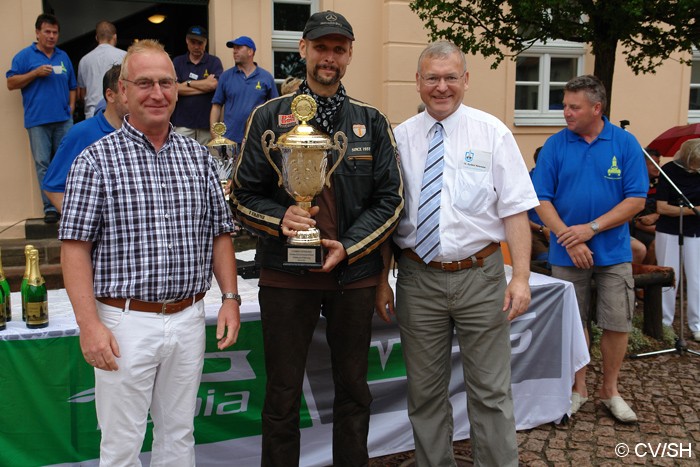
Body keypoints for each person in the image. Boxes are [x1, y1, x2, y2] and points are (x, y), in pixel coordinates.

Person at [59, 39, 241, 465]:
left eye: (165, 82)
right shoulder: (94, 161)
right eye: (144, 83)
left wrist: (230, 298)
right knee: (122, 444)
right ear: (122, 91)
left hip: (188, 319)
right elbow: (74, 250)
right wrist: (90, 326)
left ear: (177, 90)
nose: (156, 93)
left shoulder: (199, 159)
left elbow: (220, 234)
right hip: (124, 323)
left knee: (179, 436)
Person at [233, 11, 403, 466]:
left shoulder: (371, 121)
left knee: (354, 390)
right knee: (283, 394)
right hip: (286, 276)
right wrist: (280, 217)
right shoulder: (269, 117)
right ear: (303, 50)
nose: (330, 58)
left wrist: (349, 246)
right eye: (321, 48)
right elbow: (242, 195)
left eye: (339, 49)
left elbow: (391, 201)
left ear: (349, 55)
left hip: (354, 275)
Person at [380, 41, 537, 467]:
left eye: (451, 77)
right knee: (425, 393)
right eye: (432, 77)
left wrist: (520, 277)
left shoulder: (493, 133)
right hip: (417, 279)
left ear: (466, 80)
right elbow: (387, 219)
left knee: (490, 391)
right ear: (418, 82)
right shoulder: (397, 138)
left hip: (481, 278)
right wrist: (383, 282)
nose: (442, 87)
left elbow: (516, 210)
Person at [532, 74, 647, 423]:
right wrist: (570, 236)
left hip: (614, 251)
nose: (565, 112)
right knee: (573, 320)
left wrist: (591, 228)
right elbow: (540, 199)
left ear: (597, 108)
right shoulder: (554, 145)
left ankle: (609, 390)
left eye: (573, 107)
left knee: (617, 321)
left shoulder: (625, 144)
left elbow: (636, 200)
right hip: (567, 250)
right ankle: (578, 388)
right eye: (564, 105)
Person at [6, 13, 77, 223]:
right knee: (43, 164)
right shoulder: (24, 57)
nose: (51, 36)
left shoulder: (63, 56)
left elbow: (72, 85)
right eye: (47, 32)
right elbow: (11, 83)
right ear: (38, 33)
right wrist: (35, 73)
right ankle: (51, 209)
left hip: (63, 120)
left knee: (69, 162)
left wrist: (72, 106)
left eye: (55, 32)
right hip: (37, 120)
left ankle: (70, 205)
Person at [43, 65, 127, 212]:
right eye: (126, 91)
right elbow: (53, 188)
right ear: (110, 95)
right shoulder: (81, 133)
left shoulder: (145, 132)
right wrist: (80, 227)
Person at [654, 139, 700, 341]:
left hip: (697, 233)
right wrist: (692, 211)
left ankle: (697, 324)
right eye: (695, 163)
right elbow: (662, 207)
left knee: (697, 279)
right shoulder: (668, 171)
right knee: (669, 277)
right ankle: (665, 323)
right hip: (670, 231)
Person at [210, 35, 278, 146]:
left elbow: (275, 109)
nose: (234, 51)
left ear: (250, 51)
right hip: (229, 139)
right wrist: (215, 136)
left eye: (238, 48)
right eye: (234, 48)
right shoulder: (225, 76)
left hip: (257, 138)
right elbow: (216, 106)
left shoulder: (266, 77)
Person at [172, 25, 223, 145]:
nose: (196, 46)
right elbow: (174, 88)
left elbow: (213, 85)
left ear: (206, 42)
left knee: (204, 161)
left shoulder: (214, 62)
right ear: (186, 41)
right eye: (193, 42)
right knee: (182, 161)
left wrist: (188, 83)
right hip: (182, 124)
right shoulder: (178, 62)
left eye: (200, 43)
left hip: (206, 125)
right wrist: (204, 86)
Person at [77, 21, 126, 119]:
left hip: (91, 114)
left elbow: (81, 94)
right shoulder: (125, 56)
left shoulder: (84, 60)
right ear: (115, 37)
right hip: (118, 114)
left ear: (96, 38)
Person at [630, 147, 661, 264]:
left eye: (658, 163)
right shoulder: (632, 184)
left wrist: (656, 215)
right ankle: (645, 274)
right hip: (635, 228)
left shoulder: (660, 184)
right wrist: (645, 227)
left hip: (656, 226)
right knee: (655, 244)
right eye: (653, 164)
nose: (658, 167)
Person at [528, 146, 550, 263]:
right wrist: (542, 229)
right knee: (546, 261)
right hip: (535, 232)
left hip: (558, 231)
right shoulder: (526, 182)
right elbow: (519, 217)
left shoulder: (559, 179)